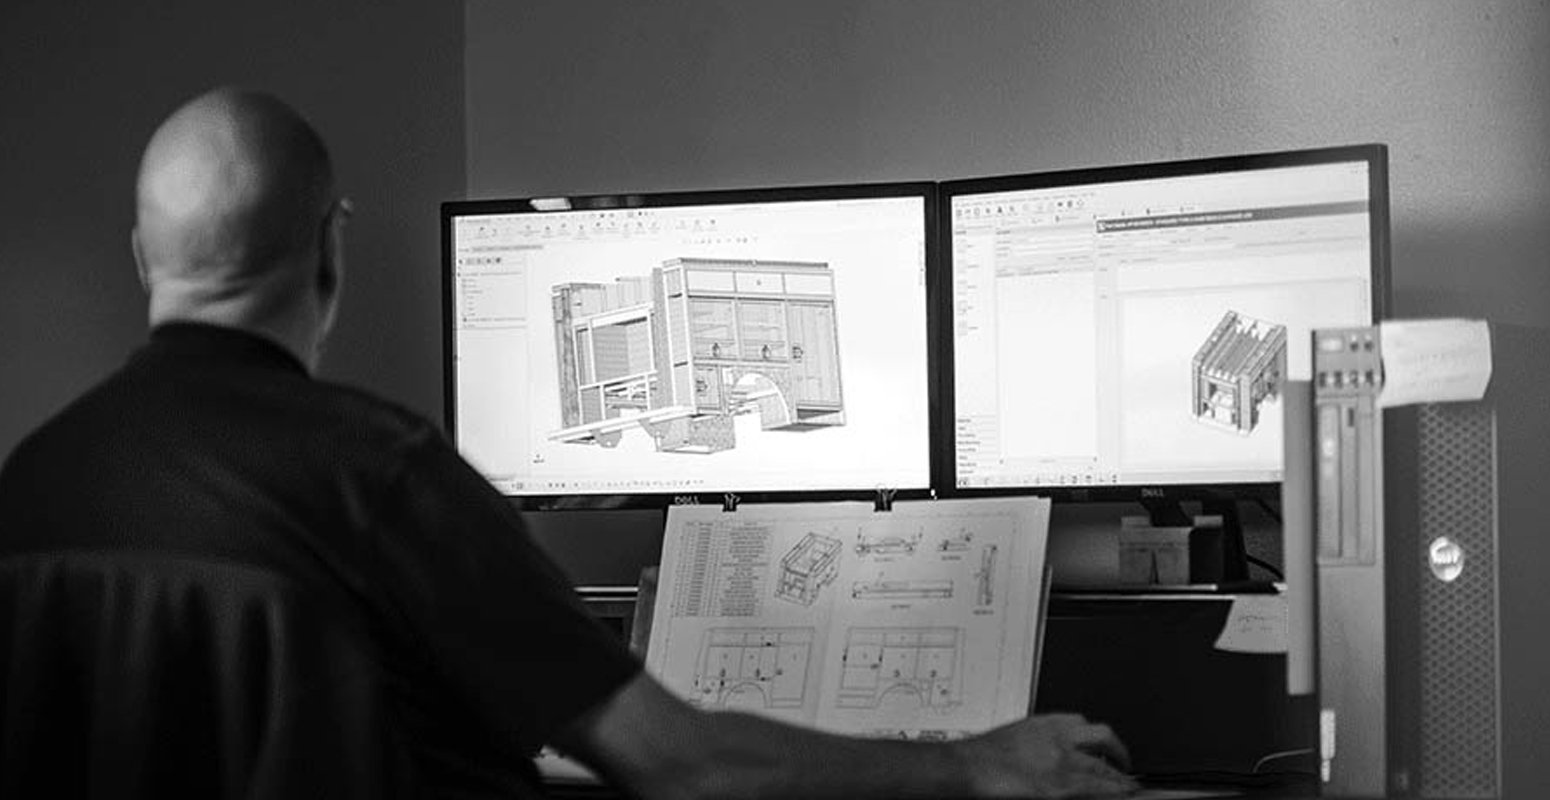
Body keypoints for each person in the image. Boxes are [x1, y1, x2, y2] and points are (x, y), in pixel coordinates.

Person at [0, 87, 1139, 799]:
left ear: (147, 261)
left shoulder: (30, 482)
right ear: (329, 251)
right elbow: (676, 763)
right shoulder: (374, 469)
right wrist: (977, 761)